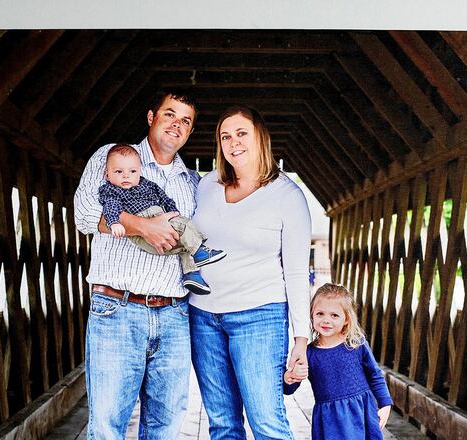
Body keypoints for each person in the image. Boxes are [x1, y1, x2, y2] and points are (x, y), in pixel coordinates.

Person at [74, 90, 200, 440]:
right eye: (169, 114)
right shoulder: (112, 157)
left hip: (175, 314)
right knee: (108, 425)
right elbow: (84, 214)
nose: (177, 124)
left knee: (166, 426)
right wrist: (143, 226)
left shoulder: (192, 183)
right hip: (117, 309)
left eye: (186, 120)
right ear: (150, 117)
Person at [190, 106, 312, 439]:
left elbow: (298, 273)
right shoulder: (207, 185)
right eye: (225, 136)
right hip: (203, 318)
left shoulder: (287, 196)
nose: (233, 143)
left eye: (241, 133)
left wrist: (301, 340)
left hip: (258, 317)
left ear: (261, 136)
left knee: (267, 423)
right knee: (222, 425)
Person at [98, 143, 226, 295]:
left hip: (162, 220)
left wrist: (173, 213)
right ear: (107, 174)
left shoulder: (148, 185)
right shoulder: (111, 190)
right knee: (185, 228)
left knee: (184, 242)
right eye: (118, 171)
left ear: (139, 171)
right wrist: (114, 223)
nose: (126, 175)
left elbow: (165, 199)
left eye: (132, 171)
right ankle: (200, 252)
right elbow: (111, 206)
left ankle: (191, 275)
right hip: (142, 231)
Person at [283, 283, 393, 440]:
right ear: (311, 316)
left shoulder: (356, 344)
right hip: (330, 421)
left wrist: (385, 404)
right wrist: (289, 377)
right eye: (320, 314)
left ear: (346, 319)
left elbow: (375, 375)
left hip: (361, 414)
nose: (326, 320)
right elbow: (289, 388)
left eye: (334, 315)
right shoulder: (309, 353)